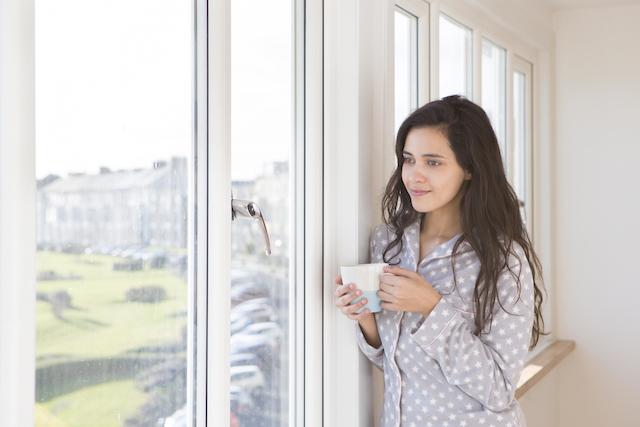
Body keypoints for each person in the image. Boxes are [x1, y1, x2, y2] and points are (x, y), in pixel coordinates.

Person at [334, 95, 548, 427]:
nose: (414, 175)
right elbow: (395, 364)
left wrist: (431, 308)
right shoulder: (387, 243)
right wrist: (366, 319)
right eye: (409, 159)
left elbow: (499, 391)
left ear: (469, 169)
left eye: (433, 162)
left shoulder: (503, 262)